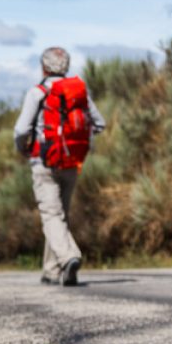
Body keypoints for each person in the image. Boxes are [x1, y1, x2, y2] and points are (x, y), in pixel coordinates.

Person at [13, 46, 105, 287]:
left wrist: (23, 148)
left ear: (44, 67)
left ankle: (68, 257)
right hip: (72, 161)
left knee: (51, 215)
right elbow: (99, 123)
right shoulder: (78, 92)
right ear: (66, 66)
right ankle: (51, 270)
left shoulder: (38, 92)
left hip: (44, 161)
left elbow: (21, 130)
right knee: (60, 216)